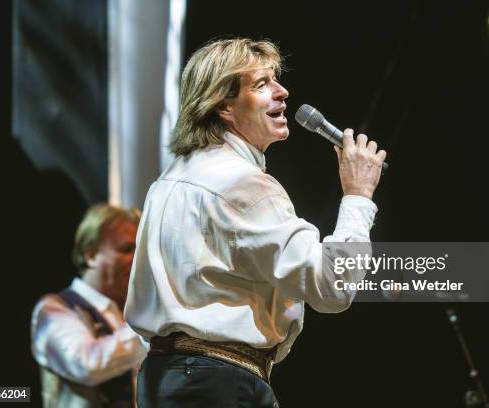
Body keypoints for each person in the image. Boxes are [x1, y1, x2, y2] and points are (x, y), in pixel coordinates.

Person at [125, 38, 387, 408]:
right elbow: (334, 285)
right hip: (216, 382)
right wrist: (358, 195)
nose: (283, 92)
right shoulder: (243, 184)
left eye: (276, 80)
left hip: (166, 378)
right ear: (224, 106)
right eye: (261, 85)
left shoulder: (166, 183)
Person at [31, 204, 147, 407]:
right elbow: (87, 364)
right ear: (91, 255)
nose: (137, 259)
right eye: (127, 249)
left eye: (139, 249)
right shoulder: (54, 309)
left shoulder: (132, 310)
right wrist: (149, 324)